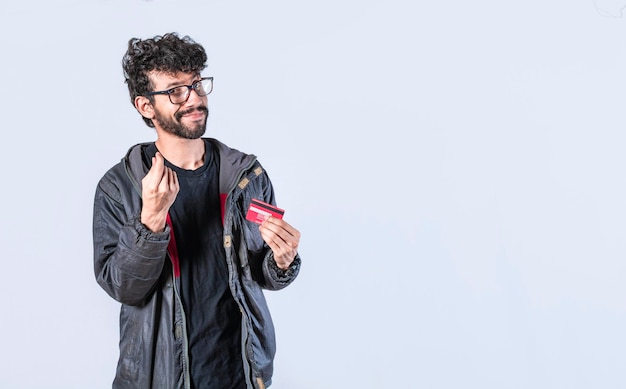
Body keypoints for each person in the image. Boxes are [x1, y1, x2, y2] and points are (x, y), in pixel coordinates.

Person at [92, 32, 302, 389]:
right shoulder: (121, 186)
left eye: (197, 85)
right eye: (175, 90)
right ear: (145, 106)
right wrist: (151, 222)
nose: (194, 99)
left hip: (241, 373)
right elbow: (123, 286)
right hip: (160, 377)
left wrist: (282, 261)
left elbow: (258, 272)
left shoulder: (246, 176)